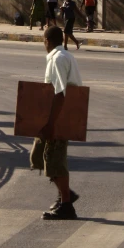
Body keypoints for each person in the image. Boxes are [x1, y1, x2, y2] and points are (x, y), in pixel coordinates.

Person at [30, 25, 82, 220]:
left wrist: (51, 123)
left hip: (60, 116)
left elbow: (60, 93)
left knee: (55, 159)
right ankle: (65, 193)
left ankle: (67, 204)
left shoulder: (59, 59)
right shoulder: (64, 56)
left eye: (43, 42)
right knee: (38, 157)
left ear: (47, 41)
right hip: (57, 115)